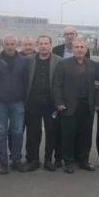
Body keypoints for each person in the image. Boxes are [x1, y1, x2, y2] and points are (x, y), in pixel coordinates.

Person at [52, 38, 99, 173]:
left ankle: (83, 160)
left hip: (87, 106)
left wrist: (97, 103)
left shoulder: (93, 65)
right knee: (68, 135)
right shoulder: (63, 64)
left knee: (85, 135)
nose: (79, 49)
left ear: (86, 49)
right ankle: (68, 162)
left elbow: (98, 85)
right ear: (72, 49)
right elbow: (56, 85)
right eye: (77, 47)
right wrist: (59, 102)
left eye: (82, 47)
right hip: (68, 106)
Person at [0, 34, 29, 174]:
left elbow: (26, 82)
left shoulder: (23, 61)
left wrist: (25, 100)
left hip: (18, 102)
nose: (10, 47)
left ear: (16, 45)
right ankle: (3, 163)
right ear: (3, 44)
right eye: (7, 44)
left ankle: (16, 160)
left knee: (17, 132)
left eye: (12, 44)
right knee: (1, 134)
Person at [25, 35, 62, 171]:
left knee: (51, 132)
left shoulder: (59, 61)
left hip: (51, 103)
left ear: (50, 45)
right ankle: (33, 159)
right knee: (33, 132)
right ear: (37, 45)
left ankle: (48, 159)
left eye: (46, 43)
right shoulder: (29, 60)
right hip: (33, 102)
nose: (43, 46)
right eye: (41, 43)